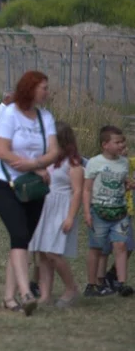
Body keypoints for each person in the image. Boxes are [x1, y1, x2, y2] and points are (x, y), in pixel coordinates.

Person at [0, 70, 59, 316]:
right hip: (8, 186)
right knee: (19, 235)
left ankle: (9, 298)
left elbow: (53, 150)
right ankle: (26, 294)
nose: (47, 92)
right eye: (43, 87)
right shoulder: (10, 115)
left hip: (34, 187)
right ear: (30, 88)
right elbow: (2, 150)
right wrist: (34, 165)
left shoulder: (45, 118)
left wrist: (36, 165)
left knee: (20, 242)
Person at [27, 121, 82, 307]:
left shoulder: (73, 165)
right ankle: (45, 295)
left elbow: (77, 192)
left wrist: (70, 217)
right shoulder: (48, 160)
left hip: (61, 209)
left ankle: (71, 288)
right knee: (42, 253)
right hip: (45, 208)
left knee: (53, 252)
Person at [82, 125, 134, 298]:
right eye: (117, 142)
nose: (121, 145)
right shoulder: (94, 163)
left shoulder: (124, 162)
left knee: (121, 245)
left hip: (120, 212)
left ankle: (121, 283)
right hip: (99, 211)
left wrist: (129, 184)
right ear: (105, 144)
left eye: (122, 142)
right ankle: (92, 284)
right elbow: (87, 189)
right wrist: (88, 212)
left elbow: (123, 181)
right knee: (97, 248)